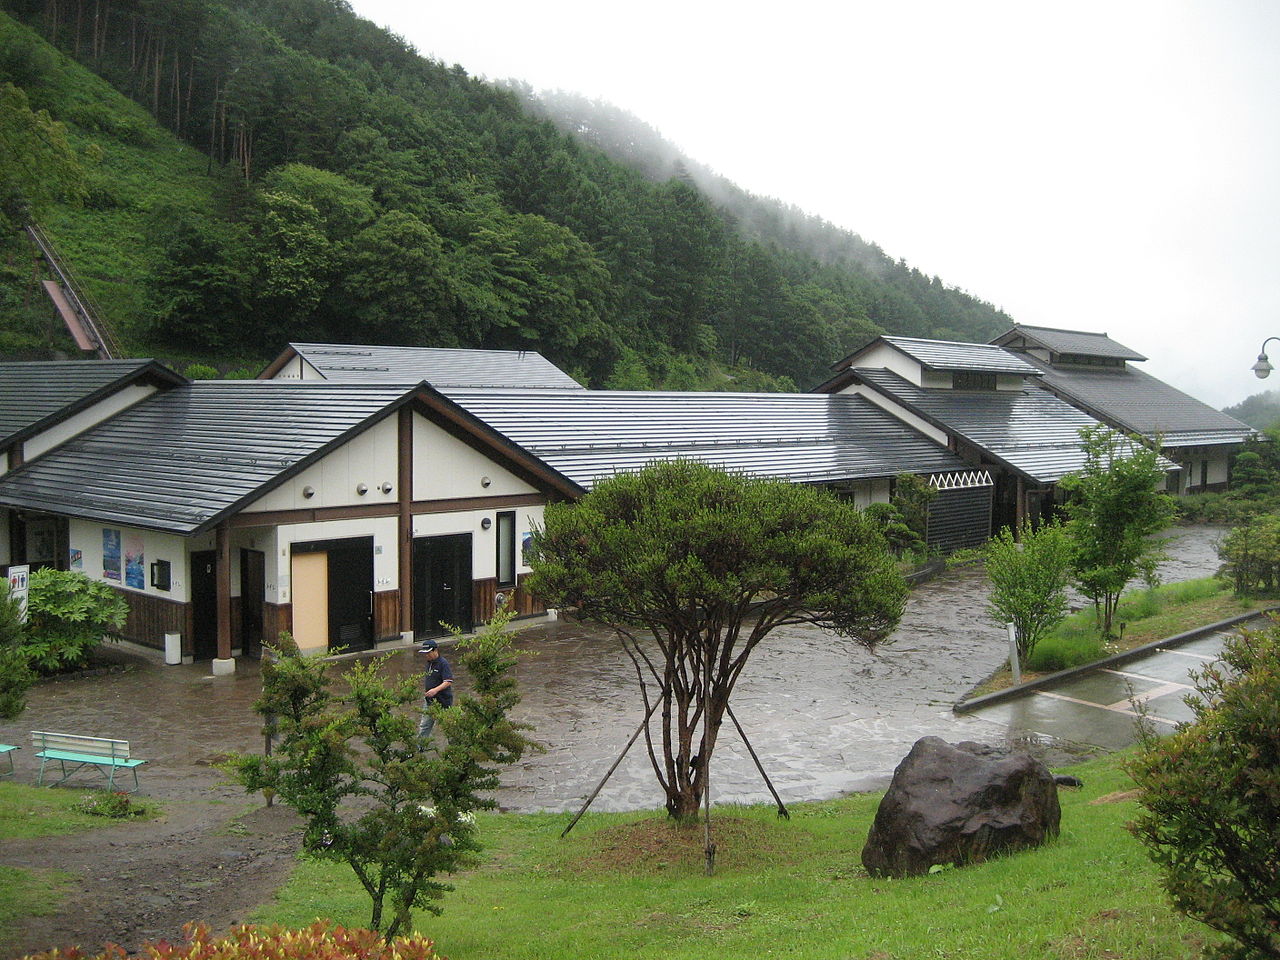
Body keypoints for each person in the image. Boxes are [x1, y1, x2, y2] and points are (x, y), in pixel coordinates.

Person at [416, 638, 453, 741]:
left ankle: (454, 747)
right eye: (425, 653)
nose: (426, 655)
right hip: (429, 702)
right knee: (424, 725)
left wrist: (435, 690)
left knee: (448, 726)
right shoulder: (428, 663)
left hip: (443, 701)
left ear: (435, 651)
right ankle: (419, 747)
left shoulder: (443, 663)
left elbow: (448, 681)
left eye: (428, 653)